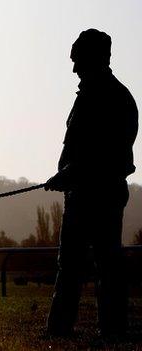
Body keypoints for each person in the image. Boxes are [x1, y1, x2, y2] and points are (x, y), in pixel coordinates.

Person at [45, 28, 138, 337]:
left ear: (97, 58)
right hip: (81, 193)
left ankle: (110, 329)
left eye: (78, 61)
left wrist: (70, 173)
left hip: (99, 194)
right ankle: (61, 329)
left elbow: (106, 152)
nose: (73, 69)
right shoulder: (94, 96)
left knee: (104, 264)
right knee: (72, 265)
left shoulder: (112, 98)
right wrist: (68, 175)